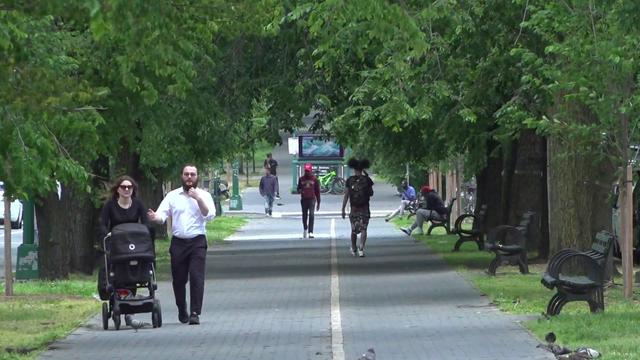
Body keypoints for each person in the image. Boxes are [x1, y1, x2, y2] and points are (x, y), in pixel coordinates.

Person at [147, 164, 216, 325]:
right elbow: (161, 215)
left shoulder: (203, 195)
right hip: (178, 242)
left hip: (197, 241)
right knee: (179, 279)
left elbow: (209, 215)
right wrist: (154, 217)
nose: (189, 177)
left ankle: (194, 312)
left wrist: (197, 199)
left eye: (193, 174)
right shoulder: (173, 196)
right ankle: (181, 307)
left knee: (196, 276)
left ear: (197, 177)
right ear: (182, 176)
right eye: (186, 174)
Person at [99, 175, 152, 327]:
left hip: (135, 245)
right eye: (124, 187)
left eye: (129, 187)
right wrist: (106, 234)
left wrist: (145, 232)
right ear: (118, 189)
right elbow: (103, 223)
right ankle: (118, 298)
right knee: (116, 270)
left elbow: (146, 222)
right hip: (117, 244)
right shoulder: (110, 206)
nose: (127, 190)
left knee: (135, 269)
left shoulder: (138, 204)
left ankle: (130, 309)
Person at [342, 158, 374, 257]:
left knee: (354, 229)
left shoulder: (350, 180)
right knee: (364, 228)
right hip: (364, 208)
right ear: (362, 169)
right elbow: (371, 193)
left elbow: (346, 195)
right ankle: (361, 248)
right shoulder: (367, 180)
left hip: (354, 208)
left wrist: (343, 209)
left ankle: (353, 247)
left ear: (354, 169)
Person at [297, 163, 320, 238]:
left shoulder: (314, 179)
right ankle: (305, 228)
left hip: (312, 199)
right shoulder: (301, 179)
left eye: (308, 171)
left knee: (311, 214)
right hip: (304, 199)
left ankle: (311, 231)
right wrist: (300, 191)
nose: (307, 172)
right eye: (306, 171)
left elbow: (317, 191)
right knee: (304, 215)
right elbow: (298, 188)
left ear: (311, 171)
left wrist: (319, 202)